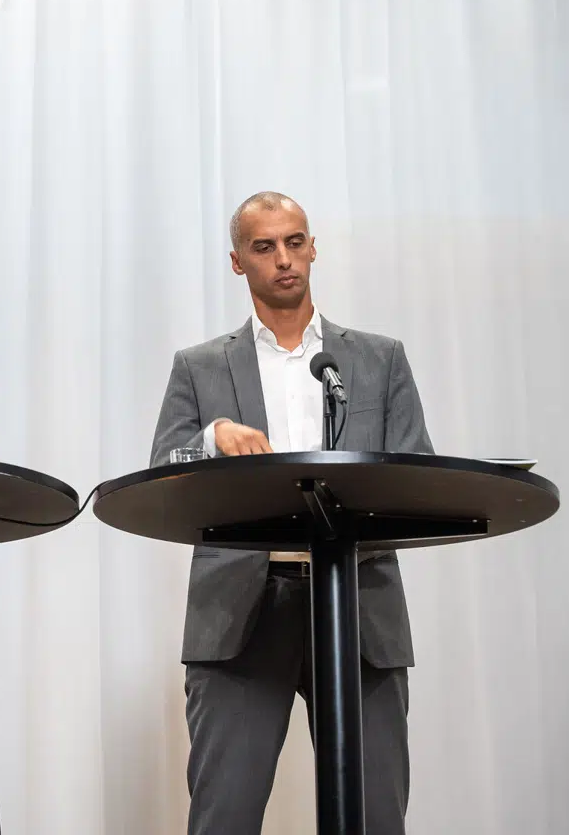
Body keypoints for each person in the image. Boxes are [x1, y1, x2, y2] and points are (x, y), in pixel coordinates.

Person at [150, 192, 433, 835]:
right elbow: (163, 469)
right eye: (264, 246)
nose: (285, 259)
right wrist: (211, 436)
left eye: (296, 241)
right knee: (225, 815)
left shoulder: (377, 357)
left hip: (360, 603)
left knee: (376, 816)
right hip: (244, 611)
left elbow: (416, 472)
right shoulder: (198, 367)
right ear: (236, 262)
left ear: (313, 247)